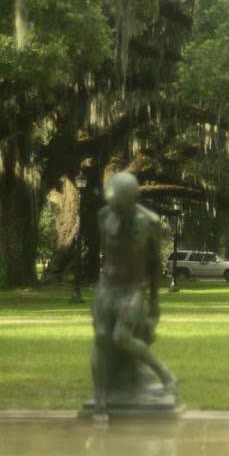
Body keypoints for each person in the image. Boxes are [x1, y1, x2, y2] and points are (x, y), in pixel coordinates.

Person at [90, 172, 177, 414]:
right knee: (101, 337)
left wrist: (154, 302)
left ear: (131, 199)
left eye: (119, 203)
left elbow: (153, 265)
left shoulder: (149, 222)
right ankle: (100, 398)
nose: (114, 208)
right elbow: (106, 254)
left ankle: (164, 373)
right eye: (112, 203)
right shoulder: (104, 215)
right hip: (108, 286)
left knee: (121, 337)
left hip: (133, 289)